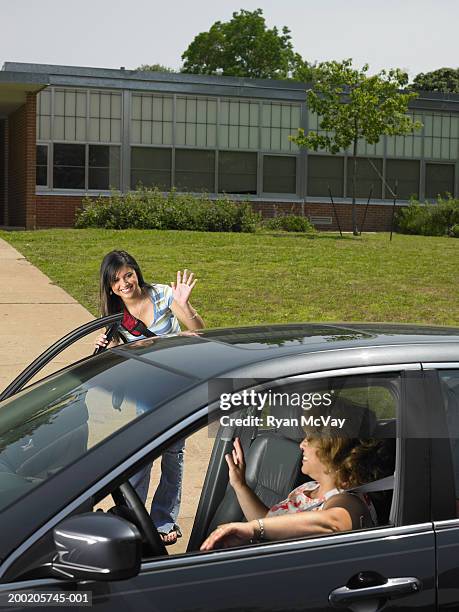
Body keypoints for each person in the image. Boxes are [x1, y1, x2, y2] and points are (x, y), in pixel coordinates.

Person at [95, 250, 204, 545]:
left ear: (136, 272)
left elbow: (199, 331)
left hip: (177, 385)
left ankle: (163, 519)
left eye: (128, 274)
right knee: (141, 454)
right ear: (109, 285)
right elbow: (120, 360)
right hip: (144, 390)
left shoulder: (163, 294)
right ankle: (133, 515)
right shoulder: (115, 314)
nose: (124, 283)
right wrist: (109, 345)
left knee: (172, 454)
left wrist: (183, 305)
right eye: (116, 279)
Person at [201, 433, 392, 551]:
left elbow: (333, 523)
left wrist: (252, 528)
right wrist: (239, 484)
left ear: (334, 452)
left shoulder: (350, 500)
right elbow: (270, 522)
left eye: (310, 440)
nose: (302, 445)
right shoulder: (308, 488)